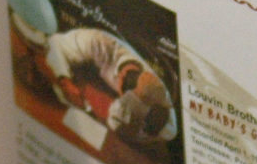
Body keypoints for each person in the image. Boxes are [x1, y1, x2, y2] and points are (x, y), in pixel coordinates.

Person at [44, 27, 178, 144]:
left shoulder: (160, 93)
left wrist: (137, 103)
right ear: (122, 75)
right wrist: (65, 81)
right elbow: (54, 42)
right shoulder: (98, 42)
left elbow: (169, 131)